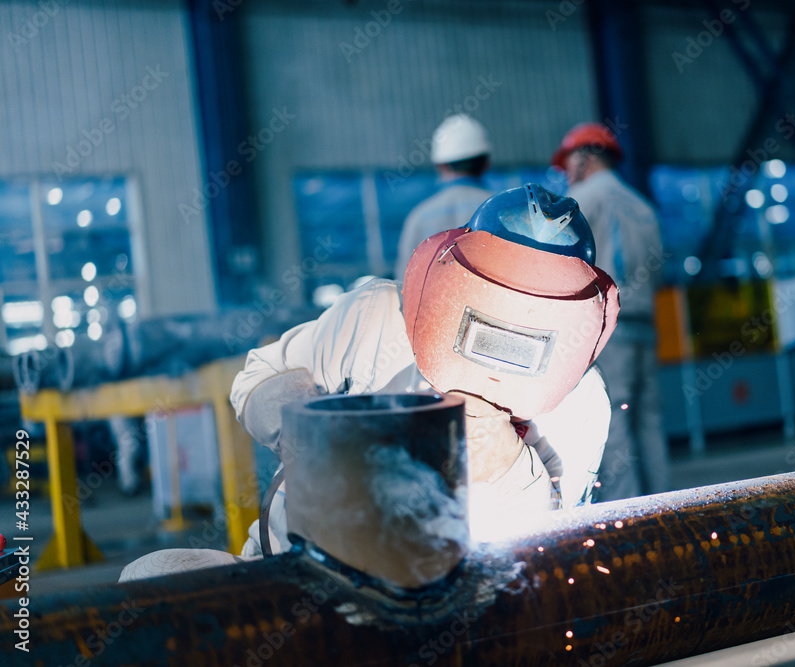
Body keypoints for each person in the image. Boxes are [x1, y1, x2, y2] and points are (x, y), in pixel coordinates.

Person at [119, 184, 619, 580]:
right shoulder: (379, 315)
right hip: (286, 571)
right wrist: (312, 430)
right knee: (148, 579)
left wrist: (505, 465)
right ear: (453, 278)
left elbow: (551, 542)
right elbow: (256, 377)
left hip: (450, 603)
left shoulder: (580, 400)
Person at [552, 122, 670, 501]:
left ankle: (631, 519)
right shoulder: (644, 208)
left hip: (606, 327)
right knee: (647, 420)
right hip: (645, 324)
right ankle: (668, 508)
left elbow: (562, 266)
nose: (566, 171)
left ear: (585, 157)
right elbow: (660, 272)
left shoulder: (582, 200)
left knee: (614, 420)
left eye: (568, 161)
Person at [393, 114, 493, 279]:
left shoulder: (419, 217)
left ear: (441, 166)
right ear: (485, 163)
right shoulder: (506, 211)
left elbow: (404, 281)